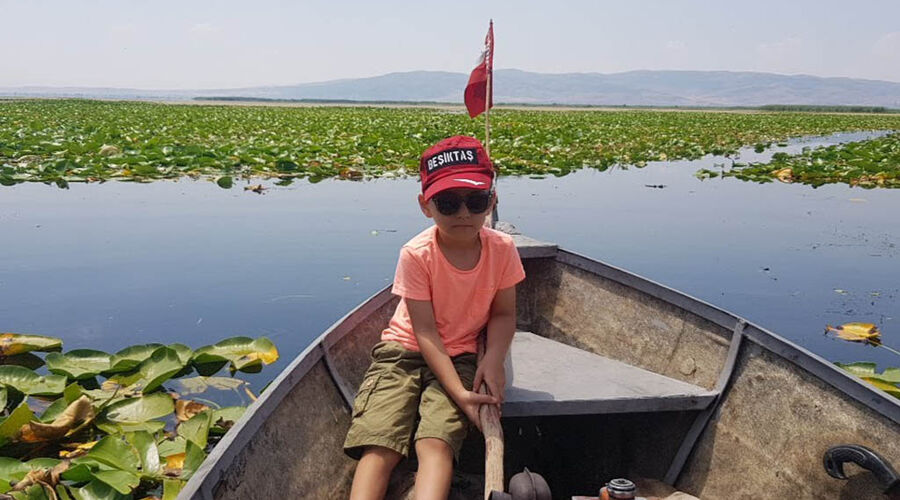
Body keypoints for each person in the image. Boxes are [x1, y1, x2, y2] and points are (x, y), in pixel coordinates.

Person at [344, 135, 526, 500]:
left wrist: (492, 361)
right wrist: (460, 393)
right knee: (381, 445)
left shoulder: (502, 249)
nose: (463, 213)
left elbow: (504, 315)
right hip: (403, 352)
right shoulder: (416, 254)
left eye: (476, 202)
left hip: (460, 355)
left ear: (492, 201)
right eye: (447, 202)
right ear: (425, 206)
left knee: (436, 442)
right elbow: (424, 332)